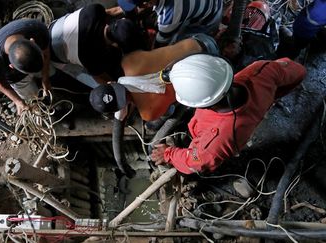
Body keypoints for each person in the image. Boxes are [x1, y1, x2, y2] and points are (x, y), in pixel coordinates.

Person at [150, 54, 306, 174]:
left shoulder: (216, 141)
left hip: (211, 141)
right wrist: (273, 95)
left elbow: (194, 162)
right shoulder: (261, 70)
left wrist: (169, 154)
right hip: (251, 114)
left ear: (203, 104)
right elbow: (298, 72)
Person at [89, 34, 219, 178]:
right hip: (203, 42)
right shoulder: (128, 61)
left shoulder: (147, 113)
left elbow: (169, 110)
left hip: (210, 75)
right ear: (109, 83)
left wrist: (125, 112)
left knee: (165, 113)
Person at [49, 3, 146, 84]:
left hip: (52, 28)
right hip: (56, 57)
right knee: (84, 75)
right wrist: (115, 84)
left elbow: (111, 12)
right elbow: (101, 78)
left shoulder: (95, 10)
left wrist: (135, 7)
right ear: (116, 44)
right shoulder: (94, 59)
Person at [0, 19, 51, 115]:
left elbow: (46, 53)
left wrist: (45, 79)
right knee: (34, 98)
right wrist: (17, 101)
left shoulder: (36, 28)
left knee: (52, 74)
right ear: (12, 66)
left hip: (36, 62)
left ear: (32, 41)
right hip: (16, 78)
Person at [114, 0, 223, 46]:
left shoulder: (169, 18)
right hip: (209, 3)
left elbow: (160, 44)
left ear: (148, 3)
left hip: (210, 18)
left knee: (178, 42)